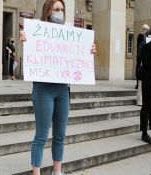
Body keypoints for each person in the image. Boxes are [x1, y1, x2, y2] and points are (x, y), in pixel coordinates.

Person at [19, 0, 96, 174]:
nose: (60, 12)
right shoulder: (36, 31)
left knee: (60, 135)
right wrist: (25, 40)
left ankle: (57, 171)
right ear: (48, 12)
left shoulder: (69, 34)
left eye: (62, 9)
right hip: (43, 89)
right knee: (41, 135)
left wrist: (88, 50)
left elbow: (76, 56)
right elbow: (31, 48)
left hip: (62, 89)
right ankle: (36, 172)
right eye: (56, 9)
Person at [136, 25, 150, 106]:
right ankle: (140, 101)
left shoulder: (148, 40)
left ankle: (144, 101)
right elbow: (140, 51)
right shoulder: (142, 38)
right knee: (141, 84)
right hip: (142, 63)